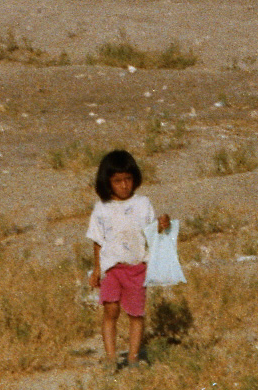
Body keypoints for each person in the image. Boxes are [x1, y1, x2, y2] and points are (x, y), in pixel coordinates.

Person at [87, 148, 169, 371]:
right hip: (112, 267)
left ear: (135, 178)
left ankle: (133, 358)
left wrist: (162, 226)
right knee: (110, 310)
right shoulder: (102, 208)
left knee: (135, 313)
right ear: (107, 182)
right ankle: (111, 358)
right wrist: (97, 270)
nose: (124, 185)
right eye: (117, 181)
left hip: (136, 268)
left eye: (128, 179)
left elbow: (153, 234)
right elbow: (97, 241)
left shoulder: (143, 204)